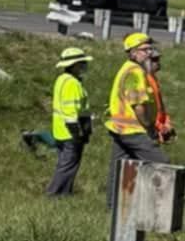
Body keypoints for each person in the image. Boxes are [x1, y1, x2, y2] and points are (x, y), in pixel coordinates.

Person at [106, 32, 174, 168]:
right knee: (163, 166)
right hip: (132, 130)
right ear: (133, 53)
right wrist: (150, 129)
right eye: (145, 50)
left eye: (150, 48)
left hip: (121, 128)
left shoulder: (130, 69)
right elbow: (138, 107)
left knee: (121, 170)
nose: (149, 53)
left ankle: (115, 190)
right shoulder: (134, 73)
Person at [46, 47, 93, 197]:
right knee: (68, 166)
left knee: (65, 164)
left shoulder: (62, 79)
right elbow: (71, 110)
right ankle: (54, 194)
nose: (84, 66)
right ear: (74, 65)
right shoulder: (72, 83)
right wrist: (78, 132)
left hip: (60, 130)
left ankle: (64, 193)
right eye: (82, 63)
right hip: (70, 131)